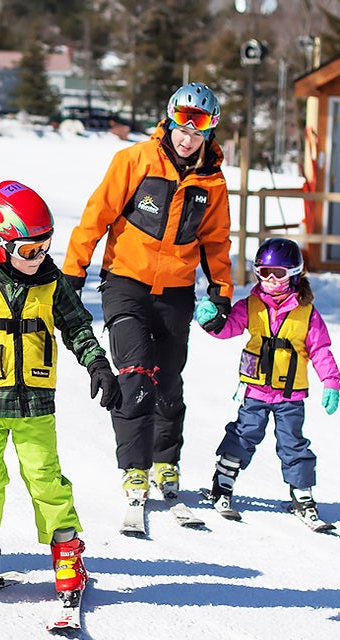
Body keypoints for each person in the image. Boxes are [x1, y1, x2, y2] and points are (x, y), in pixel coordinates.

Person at [0, 176, 121, 605]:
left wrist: (98, 363)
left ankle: (67, 554)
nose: (39, 257)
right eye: (29, 250)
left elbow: (77, 327)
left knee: (47, 481)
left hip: (35, 406)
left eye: (45, 245)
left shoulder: (51, 280)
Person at [62, 82, 233, 504]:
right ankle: (134, 468)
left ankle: (165, 460)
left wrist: (222, 292)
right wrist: (73, 272)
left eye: (200, 126)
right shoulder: (135, 160)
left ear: (210, 131)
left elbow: (216, 242)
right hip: (126, 282)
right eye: (183, 122)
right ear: (170, 118)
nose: (188, 135)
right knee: (135, 375)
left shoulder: (213, 182)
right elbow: (95, 216)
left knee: (169, 380)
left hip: (175, 291)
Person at [198, 238, 340, 520]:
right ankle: (223, 482)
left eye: (279, 273)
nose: (272, 280)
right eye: (265, 273)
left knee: (293, 443)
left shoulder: (307, 313)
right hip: (255, 391)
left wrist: (331, 382)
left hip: (290, 396)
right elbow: (229, 329)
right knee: (243, 434)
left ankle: (302, 493)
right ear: (257, 273)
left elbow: (321, 350)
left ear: (294, 274)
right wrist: (210, 321)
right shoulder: (250, 305)